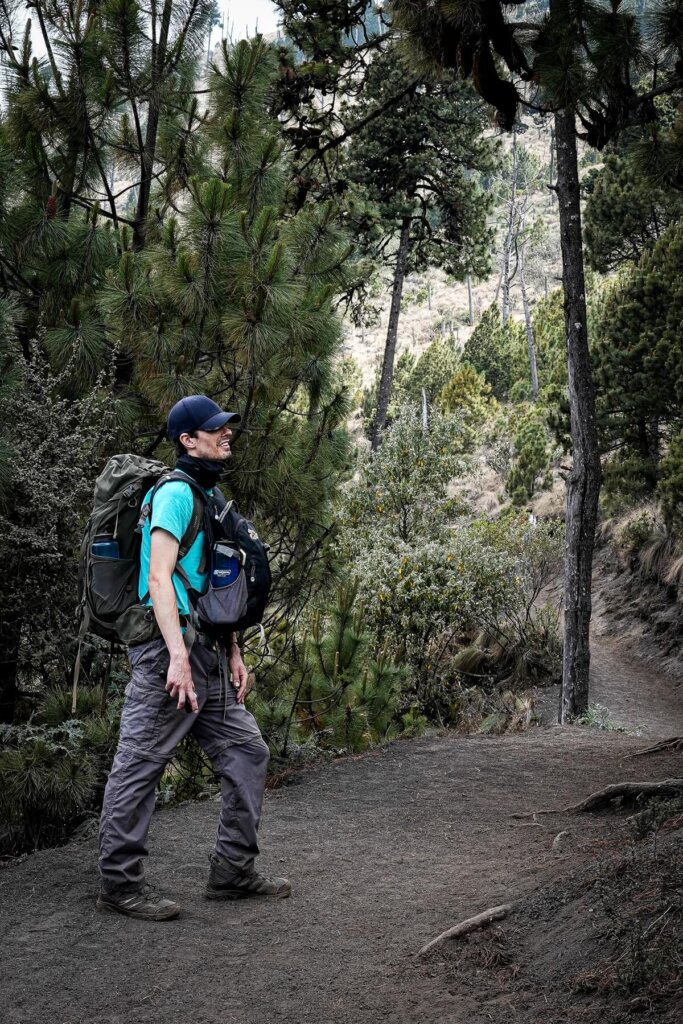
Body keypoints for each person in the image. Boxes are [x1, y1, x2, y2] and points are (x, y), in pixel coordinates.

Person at [97, 395, 290, 920]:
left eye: (226, 427)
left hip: (202, 651)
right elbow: (159, 577)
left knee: (248, 752)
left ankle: (232, 870)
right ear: (188, 440)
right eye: (215, 429)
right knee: (140, 763)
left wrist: (232, 650)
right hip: (169, 652)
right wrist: (177, 657)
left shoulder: (208, 494)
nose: (226, 434)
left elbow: (206, 585)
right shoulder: (177, 495)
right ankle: (119, 885)